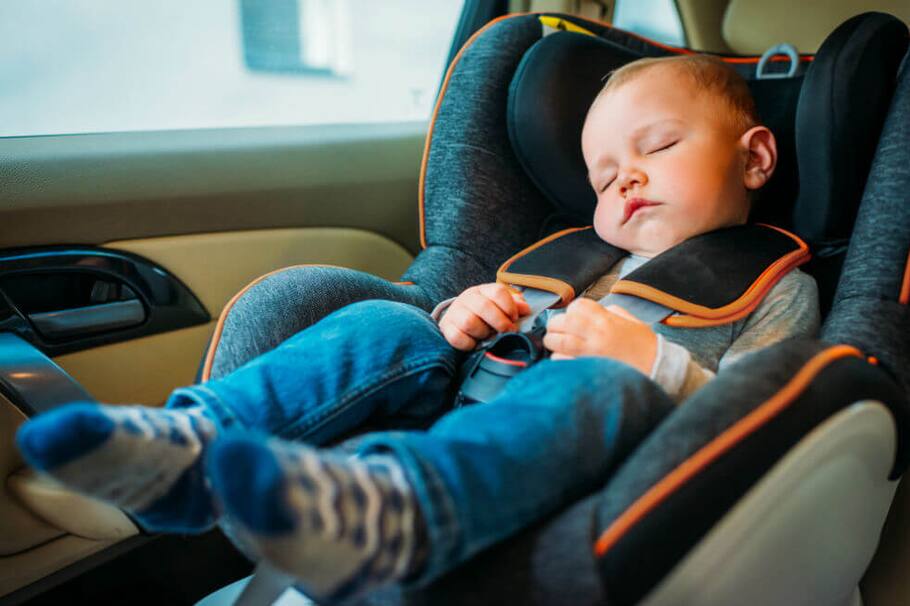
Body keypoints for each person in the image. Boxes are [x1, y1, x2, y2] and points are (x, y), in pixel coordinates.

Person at [16, 54, 819, 602]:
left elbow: (774, 424)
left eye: (661, 146)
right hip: (452, 417)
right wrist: (458, 318)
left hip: (606, 464)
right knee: (384, 324)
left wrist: (652, 362)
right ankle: (188, 451)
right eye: (605, 178)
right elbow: (451, 340)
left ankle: (397, 512)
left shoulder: (775, 289)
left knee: (593, 383)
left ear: (754, 159)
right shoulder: (569, 260)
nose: (628, 178)